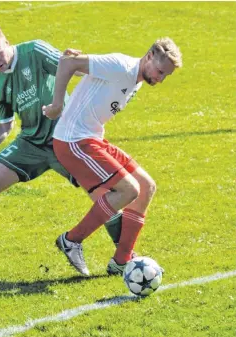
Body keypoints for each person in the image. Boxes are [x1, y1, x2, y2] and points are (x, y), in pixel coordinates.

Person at [0, 24, 123, 273]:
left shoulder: (35, 51)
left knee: (105, 195)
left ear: (7, 42)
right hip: (30, 145)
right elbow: (4, 128)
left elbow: (73, 70)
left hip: (66, 140)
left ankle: (124, 257)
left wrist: (75, 59)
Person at [42, 37, 182, 276]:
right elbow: (67, 63)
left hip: (94, 138)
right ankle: (71, 240)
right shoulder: (121, 66)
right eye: (160, 71)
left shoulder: (136, 79)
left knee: (146, 186)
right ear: (148, 56)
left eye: (165, 76)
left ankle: (121, 260)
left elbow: (84, 72)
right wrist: (57, 104)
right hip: (73, 140)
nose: (160, 79)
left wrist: (78, 65)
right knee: (129, 190)